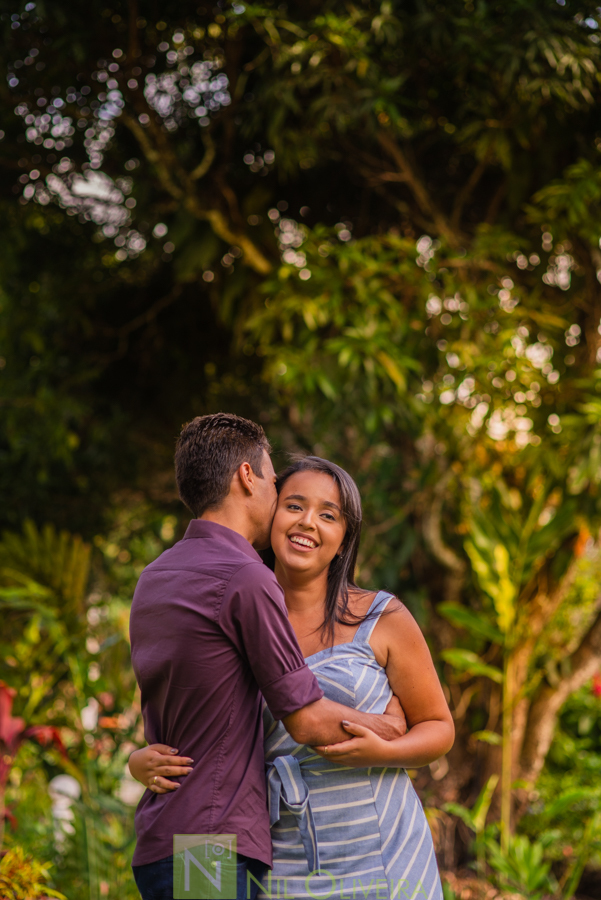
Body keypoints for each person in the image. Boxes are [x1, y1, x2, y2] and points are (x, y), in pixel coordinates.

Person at [131, 452, 454, 900]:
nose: (308, 523)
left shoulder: (383, 617)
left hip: (384, 853)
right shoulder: (233, 608)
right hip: (275, 855)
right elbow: (191, 706)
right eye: (294, 505)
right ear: (270, 515)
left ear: (343, 540)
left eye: (328, 515)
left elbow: (438, 728)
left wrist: (383, 749)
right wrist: (140, 757)